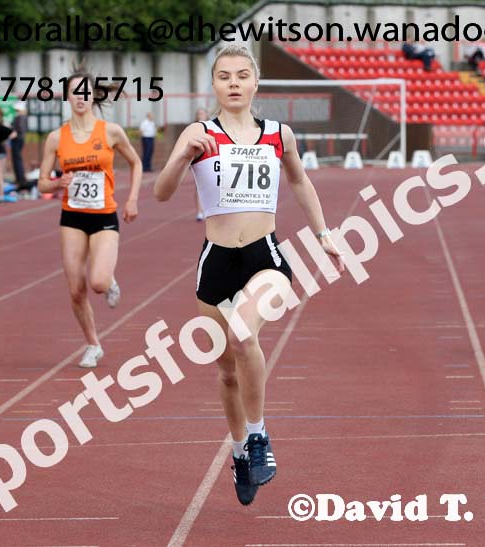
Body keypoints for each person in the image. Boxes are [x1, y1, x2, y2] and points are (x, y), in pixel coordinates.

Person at [153, 45, 344, 506]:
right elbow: (161, 193)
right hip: (216, 262)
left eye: (242, 75)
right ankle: (240, 452)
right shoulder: (200, 134)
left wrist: (323, 234)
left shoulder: (279, 135)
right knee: (226, 372)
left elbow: (299, 181)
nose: (234, 83)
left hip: (266, 258)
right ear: (214, 85)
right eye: (225, 76)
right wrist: (181, 156)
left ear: (255, 83)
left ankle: (258, 437)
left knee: (243, 334)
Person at [37, 67, 142, 368]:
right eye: (74, 92)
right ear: (67, 97)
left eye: (86, 91)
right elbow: (41, 182)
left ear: (93, 95)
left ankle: (109, 281)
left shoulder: (110, 131)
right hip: (72, 217)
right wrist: (57, 183)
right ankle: (93, 344)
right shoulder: (56, 138)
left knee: (96, 282)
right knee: (75, 289)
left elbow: (135, 163)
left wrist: (132, 199)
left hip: (104, 215)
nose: (81, 97)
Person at [193, 108, 209, 221]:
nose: (201, 115)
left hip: (209, 157)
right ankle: (199, 211)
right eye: (199, 113)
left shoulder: (211, 127)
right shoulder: (193, 128)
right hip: (198, 158)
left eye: (202, 113)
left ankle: (207, 210)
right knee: (198, 187)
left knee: (209, 185)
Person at [11, 102, 29, 188]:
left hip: (17, 139)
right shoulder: (23, 117)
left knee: (17, 160)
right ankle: (20, 178)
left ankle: (20, 178)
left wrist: (16, 133)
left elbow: (20, 128)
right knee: (17, 159)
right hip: (20, 139)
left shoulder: (20, 117)